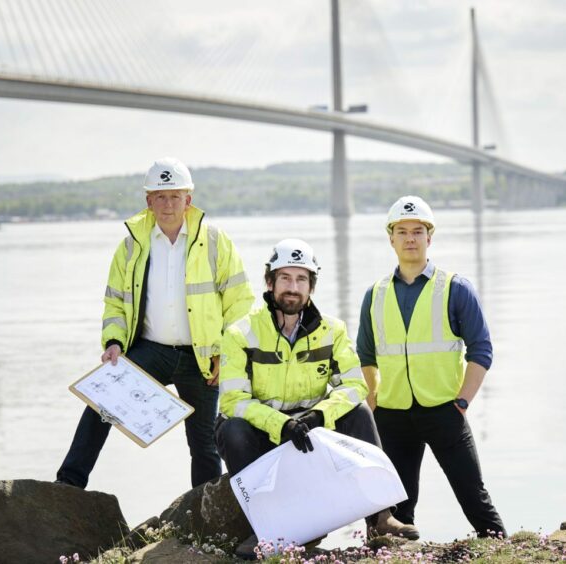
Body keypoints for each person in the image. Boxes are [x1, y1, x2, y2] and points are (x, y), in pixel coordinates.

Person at [55, 157, 254, 489]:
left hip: (202, 357)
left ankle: (203, 517)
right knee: (101, 403)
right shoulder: (132, 245)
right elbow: (115, 301)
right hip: (150, 351)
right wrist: (114, 343)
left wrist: (228, 355)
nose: (168, 204)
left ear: (188, 200)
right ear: (148, 201)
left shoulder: (216, 241)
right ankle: (68, 485)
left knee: (204, 443)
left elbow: (240, 304)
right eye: (160, 197)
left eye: (175, 196)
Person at [216, 238, 419, 558]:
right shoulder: (240, 333)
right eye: (284, 278)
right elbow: (232, 400)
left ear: (311, 287)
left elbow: (355, 386)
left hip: (311, 432)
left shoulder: (332, 330)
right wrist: (280, 424)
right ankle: (266, 530)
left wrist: (319, 416)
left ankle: (380, 518)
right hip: (267, 434)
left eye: (301, 279)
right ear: (269, 283)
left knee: (360, 413)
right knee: (233, 427)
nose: (292, 287)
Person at [356, 195, 505, 538]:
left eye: (418, 231)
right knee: (393, 514)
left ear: (429, 237)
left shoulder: (455, 288)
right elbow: (365, 354)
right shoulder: (374, 294)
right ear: (391, 238)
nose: (410, 238)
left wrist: (463, 401)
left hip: (445, 411)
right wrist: (374, 395)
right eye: (403, 231)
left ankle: (501, 553)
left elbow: (481, 350)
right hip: (392, 416)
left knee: (476, 502)